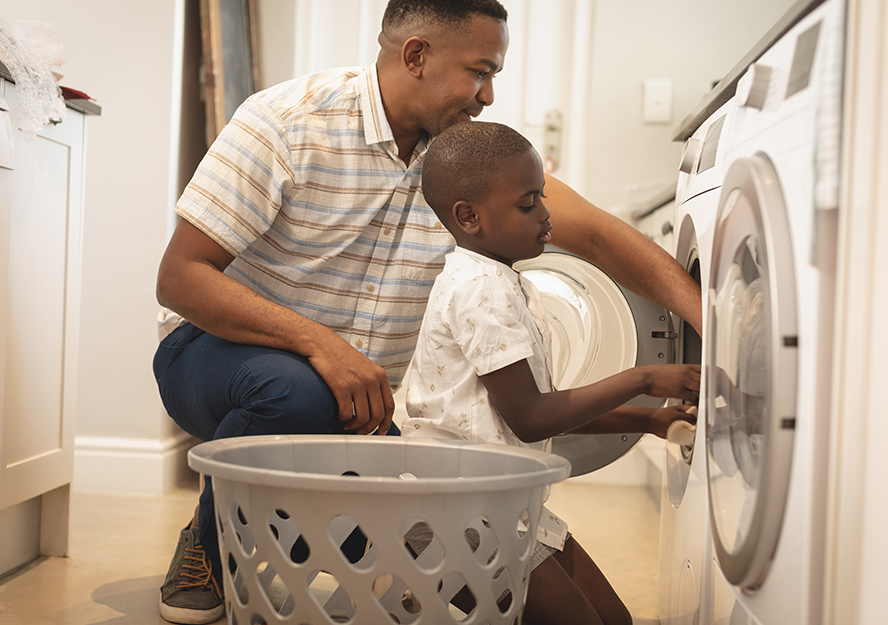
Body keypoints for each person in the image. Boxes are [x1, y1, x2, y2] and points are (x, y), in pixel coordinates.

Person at [152, 1, 702, 623]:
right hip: (219, 358)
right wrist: (320, 345)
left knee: (389, 531)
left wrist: (715, 323)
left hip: (369, 405)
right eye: (480, 71)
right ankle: (209, 538)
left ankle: (279, 534)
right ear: (417, 56)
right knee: (298, 391)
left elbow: (602, 238)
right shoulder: (285, 122)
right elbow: (181, 279)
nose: (489, 95)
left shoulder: (470, 170)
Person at [400, 120, 698, 625]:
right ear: (468, 216)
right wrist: (644, 380)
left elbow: (537, 408)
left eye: (541, 196)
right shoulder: (480, 291)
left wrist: (647, 421)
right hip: (453, 514)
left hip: (497, 502)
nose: (546, 214)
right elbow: (532, 418)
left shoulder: (502, 281)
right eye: (527, 204)